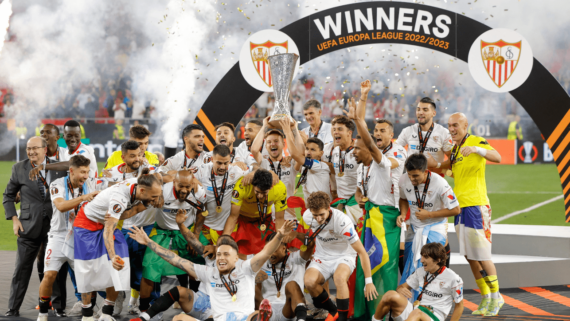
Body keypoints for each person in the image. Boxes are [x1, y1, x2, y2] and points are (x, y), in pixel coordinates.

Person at [127, 220, 297, 321]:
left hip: (244, 319)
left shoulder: (247, 268)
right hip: (217, 318)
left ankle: (262, 317)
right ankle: (145, 317)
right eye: (219, 254)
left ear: (236, 257)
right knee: (179, 318)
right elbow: (175, 259)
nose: (221, 258)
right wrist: (148, 242)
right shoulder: (208, 272)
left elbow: (266, 252)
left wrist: (280, 235)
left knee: (256, 316)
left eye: (226, 255)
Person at [73, 172, 162, 321]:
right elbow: (108, 229)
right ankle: (87, 316)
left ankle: (107, 312)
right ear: (142, 191)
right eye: (154, 197)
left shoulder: (140, 183)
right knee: (87, 269)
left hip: (106, 221)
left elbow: (126, 213)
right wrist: (112, 255)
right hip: (87, 224)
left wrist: (146, 203)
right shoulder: (119, 199)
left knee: (121, 263)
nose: (156, 200)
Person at [345, 95, 402, 320]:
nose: (377, 134)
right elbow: (360, 189)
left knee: (385, 266)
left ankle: (388, 312)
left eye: (382, 130)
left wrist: (359, 115)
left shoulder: (393, 155)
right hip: (370, 217)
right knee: (365, 265)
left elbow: (370, 146)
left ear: (391, 135)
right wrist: (360, 196)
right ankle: (365, 312)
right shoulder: (364, 166)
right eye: (375, 130)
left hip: (388, 219)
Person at [3, 137, 67, 317]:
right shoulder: (19, 168)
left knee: (55, 269)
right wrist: (15, 219)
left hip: (55, 227)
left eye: (35, 148)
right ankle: (13, 309)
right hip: (27, 227)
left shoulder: (59, 167)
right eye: (28, 149)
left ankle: (59, 308)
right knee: (21, 269)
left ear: (45, 150)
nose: (31, 152)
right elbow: (7, 196)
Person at [446, 113, 503, 316]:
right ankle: (486, 296)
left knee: (482, 255)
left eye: (455, 125)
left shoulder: (475, 141)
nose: (452, 129)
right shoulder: (454, 150)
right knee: (470, 257)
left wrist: (477, 149)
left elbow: (498, 157)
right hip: (460, 208)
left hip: (476, 206)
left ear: (465, 125)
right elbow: (450, 171)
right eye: (449, 125)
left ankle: (497, 297)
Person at [37, 155, 104, 321]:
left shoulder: (91, 183)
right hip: (58, 236)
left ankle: (87, 315)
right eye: (82, 172)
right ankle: (43, 313)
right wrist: (83, 198)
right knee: (50, 275)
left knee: (86, 277)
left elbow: (111, 188)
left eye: (87, 172)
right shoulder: (57, 184)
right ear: (71, 171)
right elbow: (60, 206)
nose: (85, 176)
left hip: (81, 237)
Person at [139, 170, 211, 315]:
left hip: (186, 229)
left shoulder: (199, 192)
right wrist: (155, 196)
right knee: (150, 268)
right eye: (180, 186)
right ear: (174, 182)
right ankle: (144, 310)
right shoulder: (162, 191)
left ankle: (193, 302)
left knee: (199, 259)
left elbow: (201, 211)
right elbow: (153, 174)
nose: (184, 190)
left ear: (193, 184)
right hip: (161, 231)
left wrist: (195, 236)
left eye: (187, 187)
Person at [301, 192, 377, 321]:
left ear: (328, 209)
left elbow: (362, 252)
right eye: (315, 215)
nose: (318, 219)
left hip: (344, 255)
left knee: (340, 278)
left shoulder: (343, 222)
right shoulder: (307, 217)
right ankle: (333, 310)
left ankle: (342, 319)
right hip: (322, 256)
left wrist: (368, 281)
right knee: (309, 282)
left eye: (321, 215)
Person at [104, 140, 160, 315]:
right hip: (121, 227)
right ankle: (116, 297)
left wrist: (150, 171)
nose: (137, 159)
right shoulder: (111, 173)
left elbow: (158, 191)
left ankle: (150, 306)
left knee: (147, 269)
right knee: (112, 267)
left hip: (145, 227)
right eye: (133, 156)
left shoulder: (151, 171)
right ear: (123, 157)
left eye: (140, 155)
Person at [397, 154, 461, 300]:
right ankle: (408, 303)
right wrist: (403, 214)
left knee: (426, 261)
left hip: (435, 226)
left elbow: (456, 209)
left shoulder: (440, 183)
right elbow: (403, 199)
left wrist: (429, 215)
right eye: (410, 175)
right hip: (414, 228)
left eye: (416, 176)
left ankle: (427, 301)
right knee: (409, 264)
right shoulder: (403, 180)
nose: (412, 179)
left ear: (426, 172)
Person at [373, 243, 464, 321]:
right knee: (390, 295)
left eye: (426, 257)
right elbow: (401, 287)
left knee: (417, 313)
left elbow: (459, 306)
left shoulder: (453, 278)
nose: (421, 260)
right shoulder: (420, 271)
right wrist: (400, 289)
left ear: (438, 259)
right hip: (416, 310)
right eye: (422, 256)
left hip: (434, 316)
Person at [193, 145, 250, 245]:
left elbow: (256, 171)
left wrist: (252, 174)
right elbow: (181, 175)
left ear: (230, 160)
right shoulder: (201, 171)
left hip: (227, 228)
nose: (222, 167)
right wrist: (191, 180)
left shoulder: (236, 171)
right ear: (211, 159)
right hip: (205, 227)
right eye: (219, 163)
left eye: (226, 163)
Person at [225, 169, 288, 256]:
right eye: (257, 192)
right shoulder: (242, 186)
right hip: (243, 218)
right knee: (237, 252)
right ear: (252, 185)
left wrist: (280, 242)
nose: (260, 196)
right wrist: (224, 240)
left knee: (267, 252)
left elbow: (280, 218)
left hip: (264, 218)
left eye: (264, 193)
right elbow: (233, 217)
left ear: (271, 186)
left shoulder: (280, 188)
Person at [255, 231, 313, 321]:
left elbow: (310, 244)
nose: (270, 254)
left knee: (292, 284)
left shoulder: (296, 259)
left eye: (274, 249)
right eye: (268, 249)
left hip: (288, 310)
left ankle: (301, 319)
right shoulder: (260, 262)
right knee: (252, 285)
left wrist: (297, 234)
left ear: (283, 248)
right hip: (267, 310)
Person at [251, 117, 299, 222]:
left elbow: (299, 154)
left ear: (283, 144)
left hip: (288, 217)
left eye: (276, 141)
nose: (272, 144)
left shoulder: (291, 162)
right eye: (269, 142)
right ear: (266, 146)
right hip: (266, 216)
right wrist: (264, 126)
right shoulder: (262, 162)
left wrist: (293, 129)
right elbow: (254, 150)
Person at [395, 97, 453, 176]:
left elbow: (452, 159)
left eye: (425, 110)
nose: (420, 112)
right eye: (418, 109)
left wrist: (437, 164)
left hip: (434, 182)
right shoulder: (408, 131)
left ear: (434, 113)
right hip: (412, 180)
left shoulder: (443, 133)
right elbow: (394, 150)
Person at [322, 115, 360, 223]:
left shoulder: (359, 150)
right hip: (340, 202)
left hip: (357, 203)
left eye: (340, 129)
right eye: (334, 129)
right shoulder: (332, 150)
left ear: (349, 132)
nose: (335, 132)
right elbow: (338, 170)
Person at [29, 120, 99, 179]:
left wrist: (43, 166)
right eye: (69, 136)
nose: (73, 139)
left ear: (80, 135)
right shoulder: (66, 153)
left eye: (76, 136)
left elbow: (73, 164)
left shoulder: (86, 150)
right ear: (64, 136)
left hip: (90, 190)